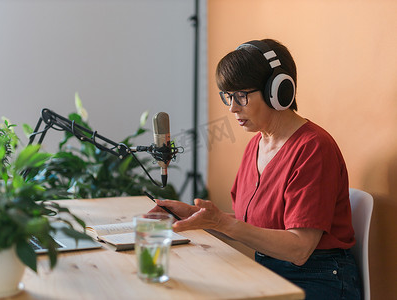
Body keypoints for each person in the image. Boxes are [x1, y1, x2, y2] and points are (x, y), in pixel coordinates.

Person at [151, 39, 362, 299]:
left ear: (278, 91)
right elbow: (249, 225)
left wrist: (223, 224)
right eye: (228, 96)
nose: (232, 107)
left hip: (317, 278)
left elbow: (300, 249)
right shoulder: (256, 145)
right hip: (270, 270)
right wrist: (194, 216)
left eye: (241, 96)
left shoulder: (314, 148)